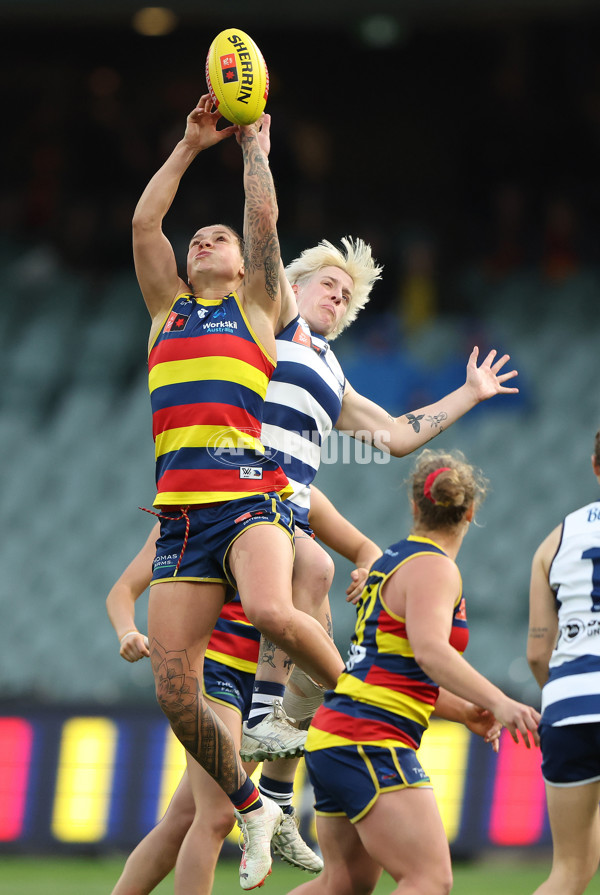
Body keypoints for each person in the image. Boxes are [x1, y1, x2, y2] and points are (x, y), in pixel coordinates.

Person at [242, 121, 524, 763]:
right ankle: (312, 711)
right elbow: (263, 233)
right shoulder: (275, 316)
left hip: (283, 504)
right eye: (328, 287)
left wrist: (469, 393)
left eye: (347, 299)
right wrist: (256, 154)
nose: (337, 301)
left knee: (314, 576)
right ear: (298, 284)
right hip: (243, 488)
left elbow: (397, 436)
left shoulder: (332, 370)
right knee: (311, 571)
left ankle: (279, 739)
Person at [132, 95, 346, 888]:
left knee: (268, 606)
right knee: (172, 685)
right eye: (198, 238)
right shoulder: (165, 314)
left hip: (246, 500)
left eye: (214, 234)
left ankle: (353, 699)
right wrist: (188, 148)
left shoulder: (258, 311)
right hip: (183, 518)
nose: (203, 238)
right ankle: (254, 801)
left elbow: (262, 229)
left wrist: (255, 148)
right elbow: (142, 229)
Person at [284, 448, 541, 895]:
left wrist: (464, 710)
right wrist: (499, 700)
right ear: (471, 511)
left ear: (414, 505)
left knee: (344, 884)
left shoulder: (391, 561)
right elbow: (430, 654)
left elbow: (391, 670)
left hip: (338, 736)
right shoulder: (434, 568)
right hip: (369, 738)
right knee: (429, 880)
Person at [107, 487, 382, 895]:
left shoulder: (301, 491)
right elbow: (122, 590)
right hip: (219, 670)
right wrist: (127, 631)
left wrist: (366, 570)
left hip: (272, 679)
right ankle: (277, 801)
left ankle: (278, 798)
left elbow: (365, 548)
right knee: (215, 816)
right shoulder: (199, 501)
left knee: (186, 816)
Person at [526, 428, 600, 895]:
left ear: (595, 467)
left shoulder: (557, 538)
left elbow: (537, 651)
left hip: (569, 706)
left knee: (569, 872)